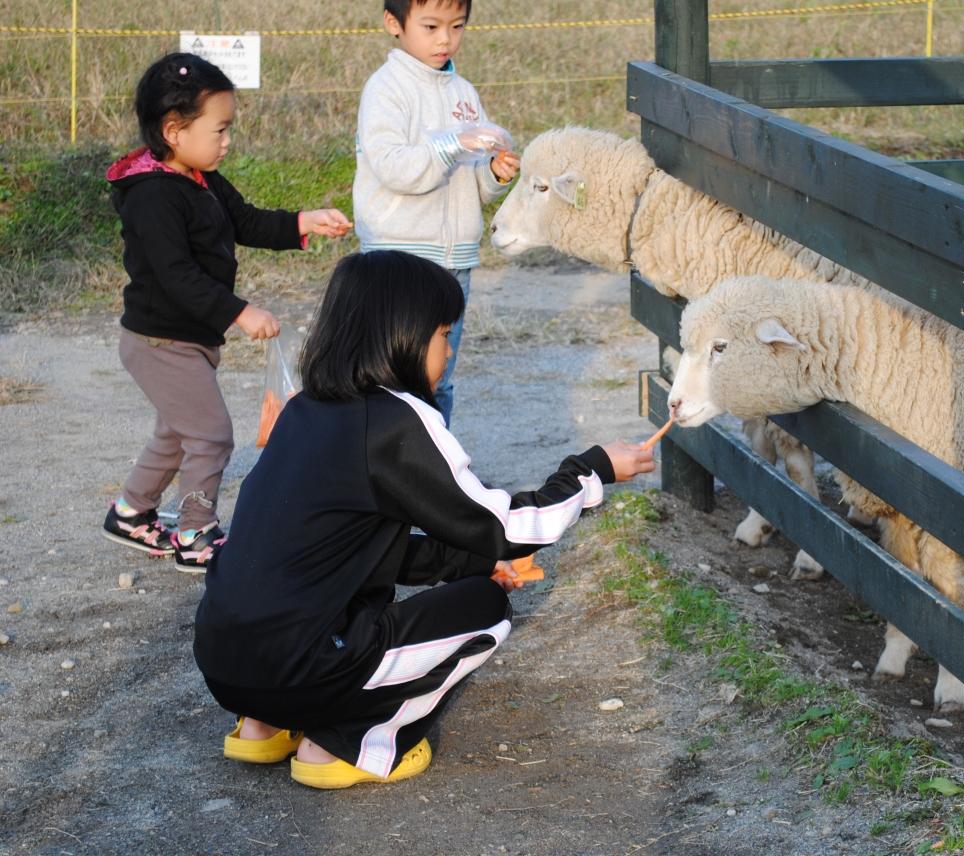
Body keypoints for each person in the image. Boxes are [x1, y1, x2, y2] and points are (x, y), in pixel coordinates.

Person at [193, 251, 654, 789]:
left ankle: (263, 726)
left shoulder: (304, 410)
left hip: (222, 663)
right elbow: (506, 528)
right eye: (443, 333)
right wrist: (593, 470)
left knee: (322, 600)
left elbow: (359, 551)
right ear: (402, 334)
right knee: (486, 610)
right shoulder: (396, 419)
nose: (449, 349)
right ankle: (345, 743)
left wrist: (473, 562)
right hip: (300, 670)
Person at [103, 52, 352, 571]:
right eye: (219, 129)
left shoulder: (200, 178)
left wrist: (304, 221)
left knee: (177, 433)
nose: (227, 140)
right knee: (211, 435)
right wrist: (240, 312)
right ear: (174, 130)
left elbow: (246, 221)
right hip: (160, 342)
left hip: (185, 337)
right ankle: (195, 533)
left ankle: (131, 512)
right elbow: (176, 276)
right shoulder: (153, 197)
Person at [353, 0, 521, 426]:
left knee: (439, 377)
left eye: (456, 26)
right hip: (399, 260)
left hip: (454, 264)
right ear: (394, 23)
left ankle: (435, 462)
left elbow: (471, 181)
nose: (445, 39)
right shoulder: (386, 89)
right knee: (392, 377)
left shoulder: (464, 94)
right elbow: (393, 167)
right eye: (431, 27)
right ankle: (385, 460)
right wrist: (453, 144)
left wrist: (493, 173)